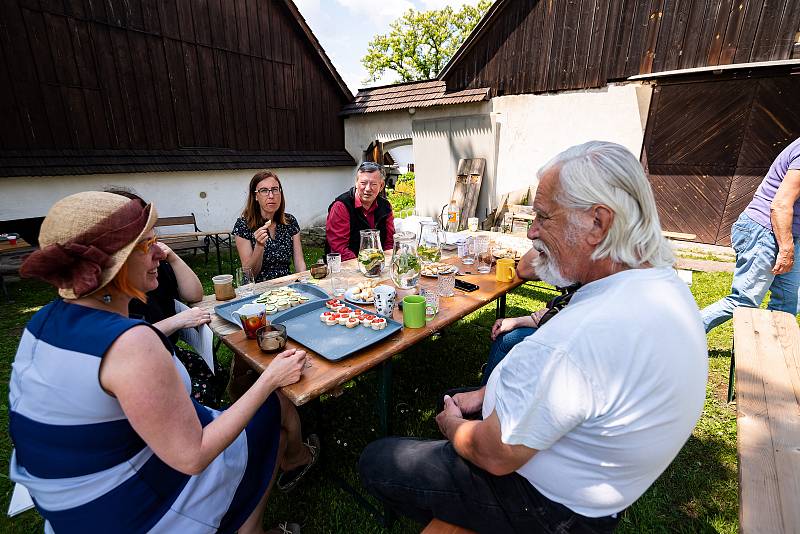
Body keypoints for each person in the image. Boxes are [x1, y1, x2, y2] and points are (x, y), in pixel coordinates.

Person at [359, 141, 708, 533]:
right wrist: (483, 396)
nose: (531, 231)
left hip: (546, 507)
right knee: (460, 394)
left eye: (544, 216)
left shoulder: (576, 341)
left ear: (598, 223)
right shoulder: (660, 287)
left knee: (378, 460)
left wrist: (452, 426)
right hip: (595, 481)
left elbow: (494, 454)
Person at [11, 192, 317, 533]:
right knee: (271, 409)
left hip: (70, 504)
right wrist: (271, 378)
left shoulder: (41, 324)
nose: (159, 251)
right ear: (114, 266)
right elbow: (193, 455)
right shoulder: (130, 343)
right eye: (145, 244)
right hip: (131, 510)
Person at [109, 189, 229, 407]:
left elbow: (195, 294)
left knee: (217, 373)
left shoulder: (154, 270)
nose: (157, 252)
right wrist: (180, 320)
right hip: (159, 361)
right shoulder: (112, 307)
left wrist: (173, 258)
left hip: (168, 351)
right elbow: (131, 340)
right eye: (146, 244)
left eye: (155, 239)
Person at [701, 137, 800, 332]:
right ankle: (677, 334)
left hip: (788, 232)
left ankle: (773, 354)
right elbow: (780, 205)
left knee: (788, 305)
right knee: (744, 301)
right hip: (765, 231)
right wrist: (787, 250)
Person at [234, 170, 306, 282]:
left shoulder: (290, 221)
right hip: (260, 291)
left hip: (288, 288)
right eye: (264, 191)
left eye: (275, 190)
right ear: (256, 196)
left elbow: (299, 262)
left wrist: (303, 282)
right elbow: (248, 275)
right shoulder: (243, 225)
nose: (271, 196)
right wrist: (259, 246)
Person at [325, 161, 395, 260]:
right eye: (363, 183)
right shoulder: (341, 206)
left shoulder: (386, 207)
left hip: (379, 264)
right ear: (356, 183)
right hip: (346, 267)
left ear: (382, 186)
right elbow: (339, 248)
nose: (367, 189)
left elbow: (389, 243)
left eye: (373, 184)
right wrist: (365, 265)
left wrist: (385, 262)